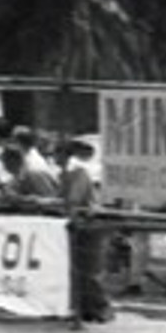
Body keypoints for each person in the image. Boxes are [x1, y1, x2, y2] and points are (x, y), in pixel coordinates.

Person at [62, 137, 113, 323]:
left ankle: (100, 309)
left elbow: (75, 200)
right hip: (83, 223)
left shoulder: (82, 172)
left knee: (92, 270)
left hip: (91, 223)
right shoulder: (75, 171)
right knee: (81, 270)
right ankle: (84, 308)